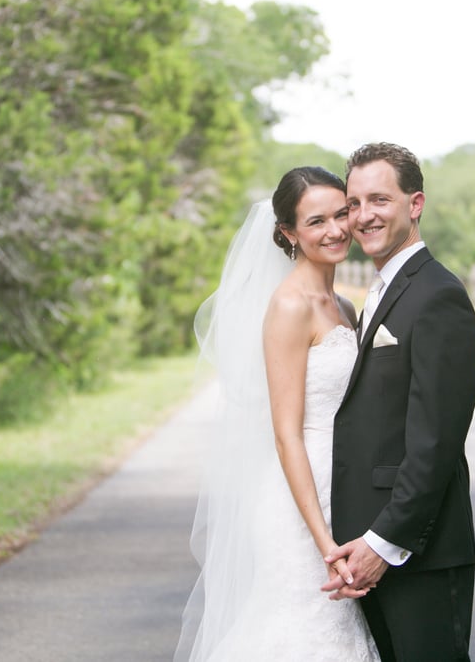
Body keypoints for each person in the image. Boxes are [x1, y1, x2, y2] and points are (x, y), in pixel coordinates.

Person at [175, 166, 380, 661]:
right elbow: (286, 433)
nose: (334, 230)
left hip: (344, 488)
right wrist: (324, 542)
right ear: (289, 233)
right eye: (315, 222)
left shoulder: (344, 307)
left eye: (341, 214)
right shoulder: (289, 307)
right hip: (299, 507)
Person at [323, 142, 475, 661]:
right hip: (368, 545)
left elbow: (435, 443)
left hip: (420, 552)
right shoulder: (381, 290)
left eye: (379, 200)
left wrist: (383, 543)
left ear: (414, 205)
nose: (363, 216)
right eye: (354, 204)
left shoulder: (438, 295)